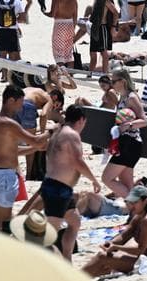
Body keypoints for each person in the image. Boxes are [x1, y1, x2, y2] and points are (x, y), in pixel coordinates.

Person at [0, 84, 50, 233]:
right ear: (11, 100)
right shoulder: (8, 123)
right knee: (4, 225)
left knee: (2, 222)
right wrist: (52, 131)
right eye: (20, 102)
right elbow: (35, 140)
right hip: (4, 176)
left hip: (2, 174)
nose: (22, 106)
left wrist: (35, 148)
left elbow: (13, 151)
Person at [42, 104, 98, 259]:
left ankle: (67, 259)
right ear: (81, 120)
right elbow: (78, 162)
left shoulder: (57, 132)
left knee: (75, 221)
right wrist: (94, 180)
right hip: (57, 188)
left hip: (59, 187)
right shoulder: (71, 135)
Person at [82, 185, 147, 276]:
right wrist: (110, 243)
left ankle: (75, 280)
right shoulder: (139, 216)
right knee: (105, 260)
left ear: (145, 201)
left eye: (134, 202)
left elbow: (140, 250)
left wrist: (116, 247)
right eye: (129, 202)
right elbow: (124, 235)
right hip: (141, 257)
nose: (131, 205)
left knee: (102, 257)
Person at [101, 69, 146, 199]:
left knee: (106, 178)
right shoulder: (123, 98)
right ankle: (136, 211)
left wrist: (129, 125)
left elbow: (144, 121)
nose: (112, 84)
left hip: (130, 144)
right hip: (128, 144)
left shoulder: (131, 97)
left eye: (114, 81)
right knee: (127, 184)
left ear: (123, 82)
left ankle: (136, 205)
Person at [47, 0, 78, 67]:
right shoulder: (74, 1)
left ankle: (61, 74)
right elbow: (75, 16)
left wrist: (43, 12)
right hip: (70, 25)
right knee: (69, 54)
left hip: (59, 24)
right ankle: (70, 74)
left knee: (59, 53)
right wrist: (73, 30)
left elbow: (52, 14)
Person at [86, 0, 115, 72]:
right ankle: (90, 74)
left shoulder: (106, 1)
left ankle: (105, 73)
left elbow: (116, 13)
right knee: (93, 54)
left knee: (104, 53)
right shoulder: (96, 1)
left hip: (102, 28)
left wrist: (113, 26)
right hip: (95, 28)